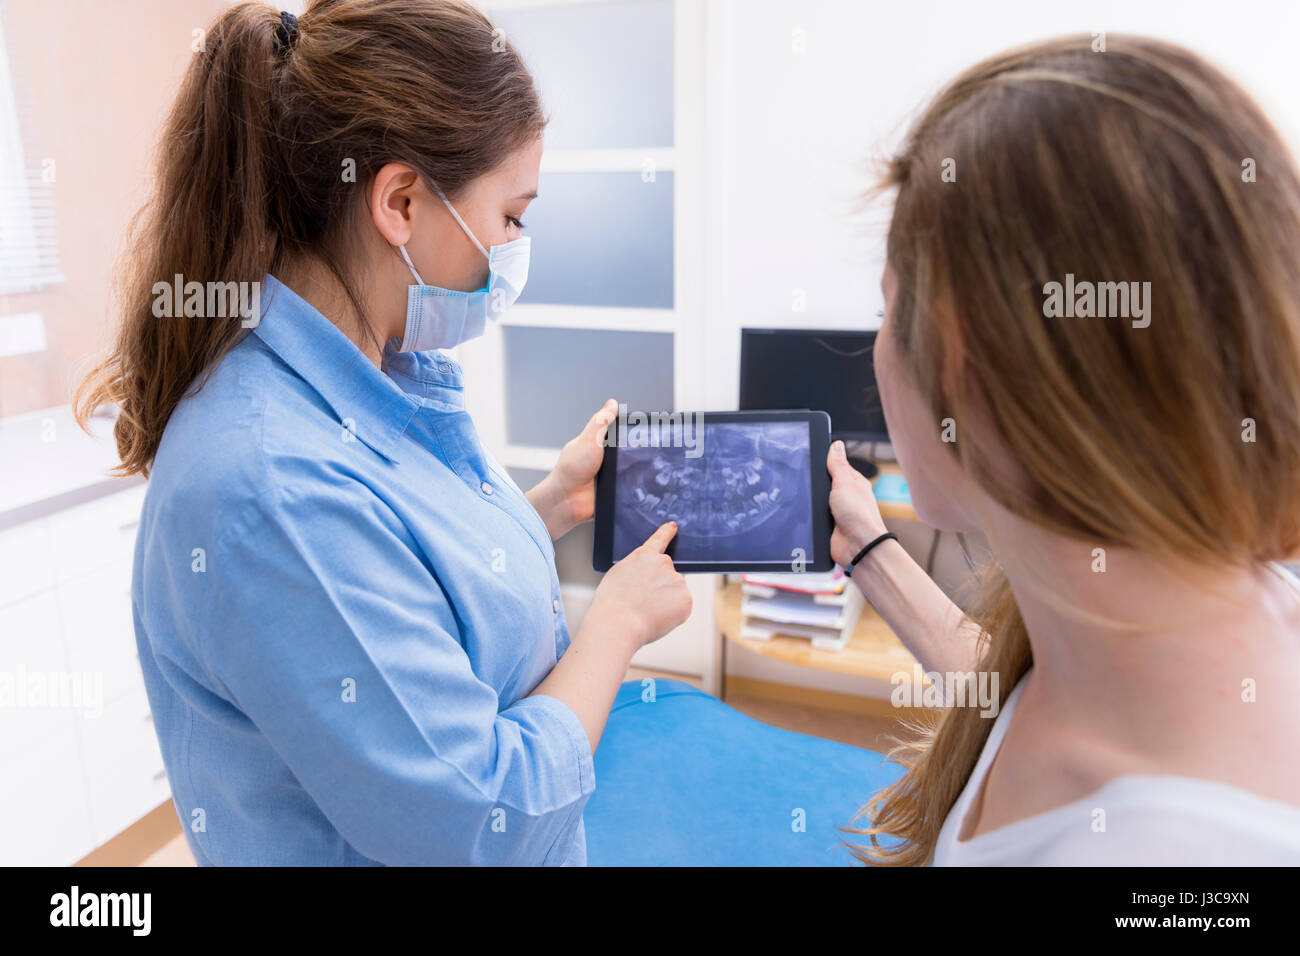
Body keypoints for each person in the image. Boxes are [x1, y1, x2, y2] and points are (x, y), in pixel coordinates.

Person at [75, 0, 690, 865]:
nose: (516, 247)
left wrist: (550, 504)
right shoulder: (270, 488)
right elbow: (480, 817)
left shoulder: (372, 370)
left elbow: (394, 579)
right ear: (400, 200)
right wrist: (615, 624)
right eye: (511, 216)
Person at [825, 34, 1300, 865]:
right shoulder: (1199, 601)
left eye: (884, 310)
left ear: (954, 353)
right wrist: (870, 551)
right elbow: (1023, 694)